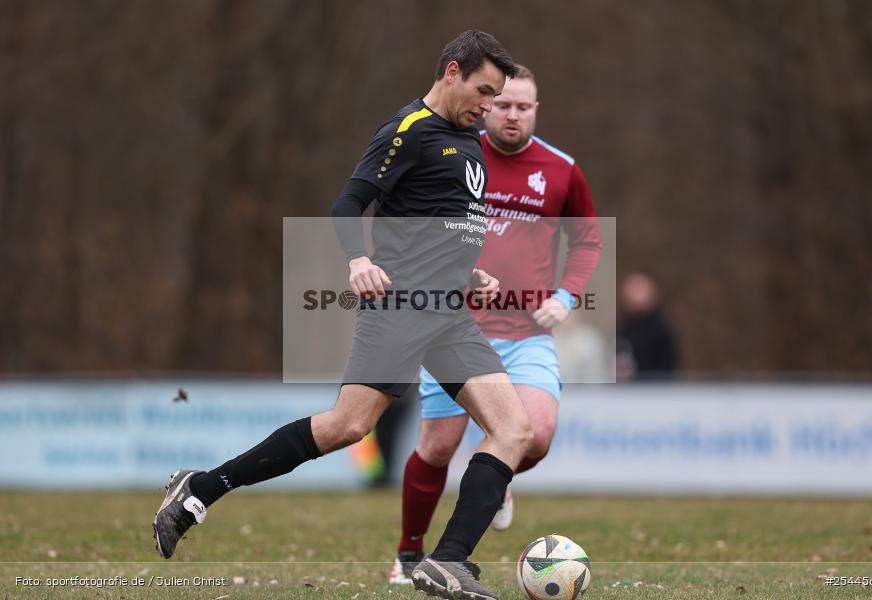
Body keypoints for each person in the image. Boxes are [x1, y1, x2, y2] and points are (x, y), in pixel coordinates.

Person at [153, 31, 528, 600]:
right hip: (401, 305)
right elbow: (348, 203)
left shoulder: (466, 138)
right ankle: (202, 488)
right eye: (483, 91)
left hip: (447, 311)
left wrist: (465, 271)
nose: (489, 106)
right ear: (451, 72)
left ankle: (448, 561)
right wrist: (357, 260)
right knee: (347, 426)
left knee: (512, 429)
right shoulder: (408, 131)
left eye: (498, 97)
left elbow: (435, 220)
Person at [388, 65, 602, 585]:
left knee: (537, 436)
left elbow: (588, 241)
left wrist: (566, 294)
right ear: (487, 105)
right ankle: (409, 553)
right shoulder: (458, 154)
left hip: (526, 333)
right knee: (437, 448)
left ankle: (496, 476)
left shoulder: (561, 170)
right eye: (503, 105)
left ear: (536, 110)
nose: (512, 115)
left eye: (523, 107)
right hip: (454, 328)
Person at [616, 272, 679, 381]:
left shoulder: (661, 329)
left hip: (656, 389)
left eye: (639, 291)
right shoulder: (623, 327)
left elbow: (668, 366)